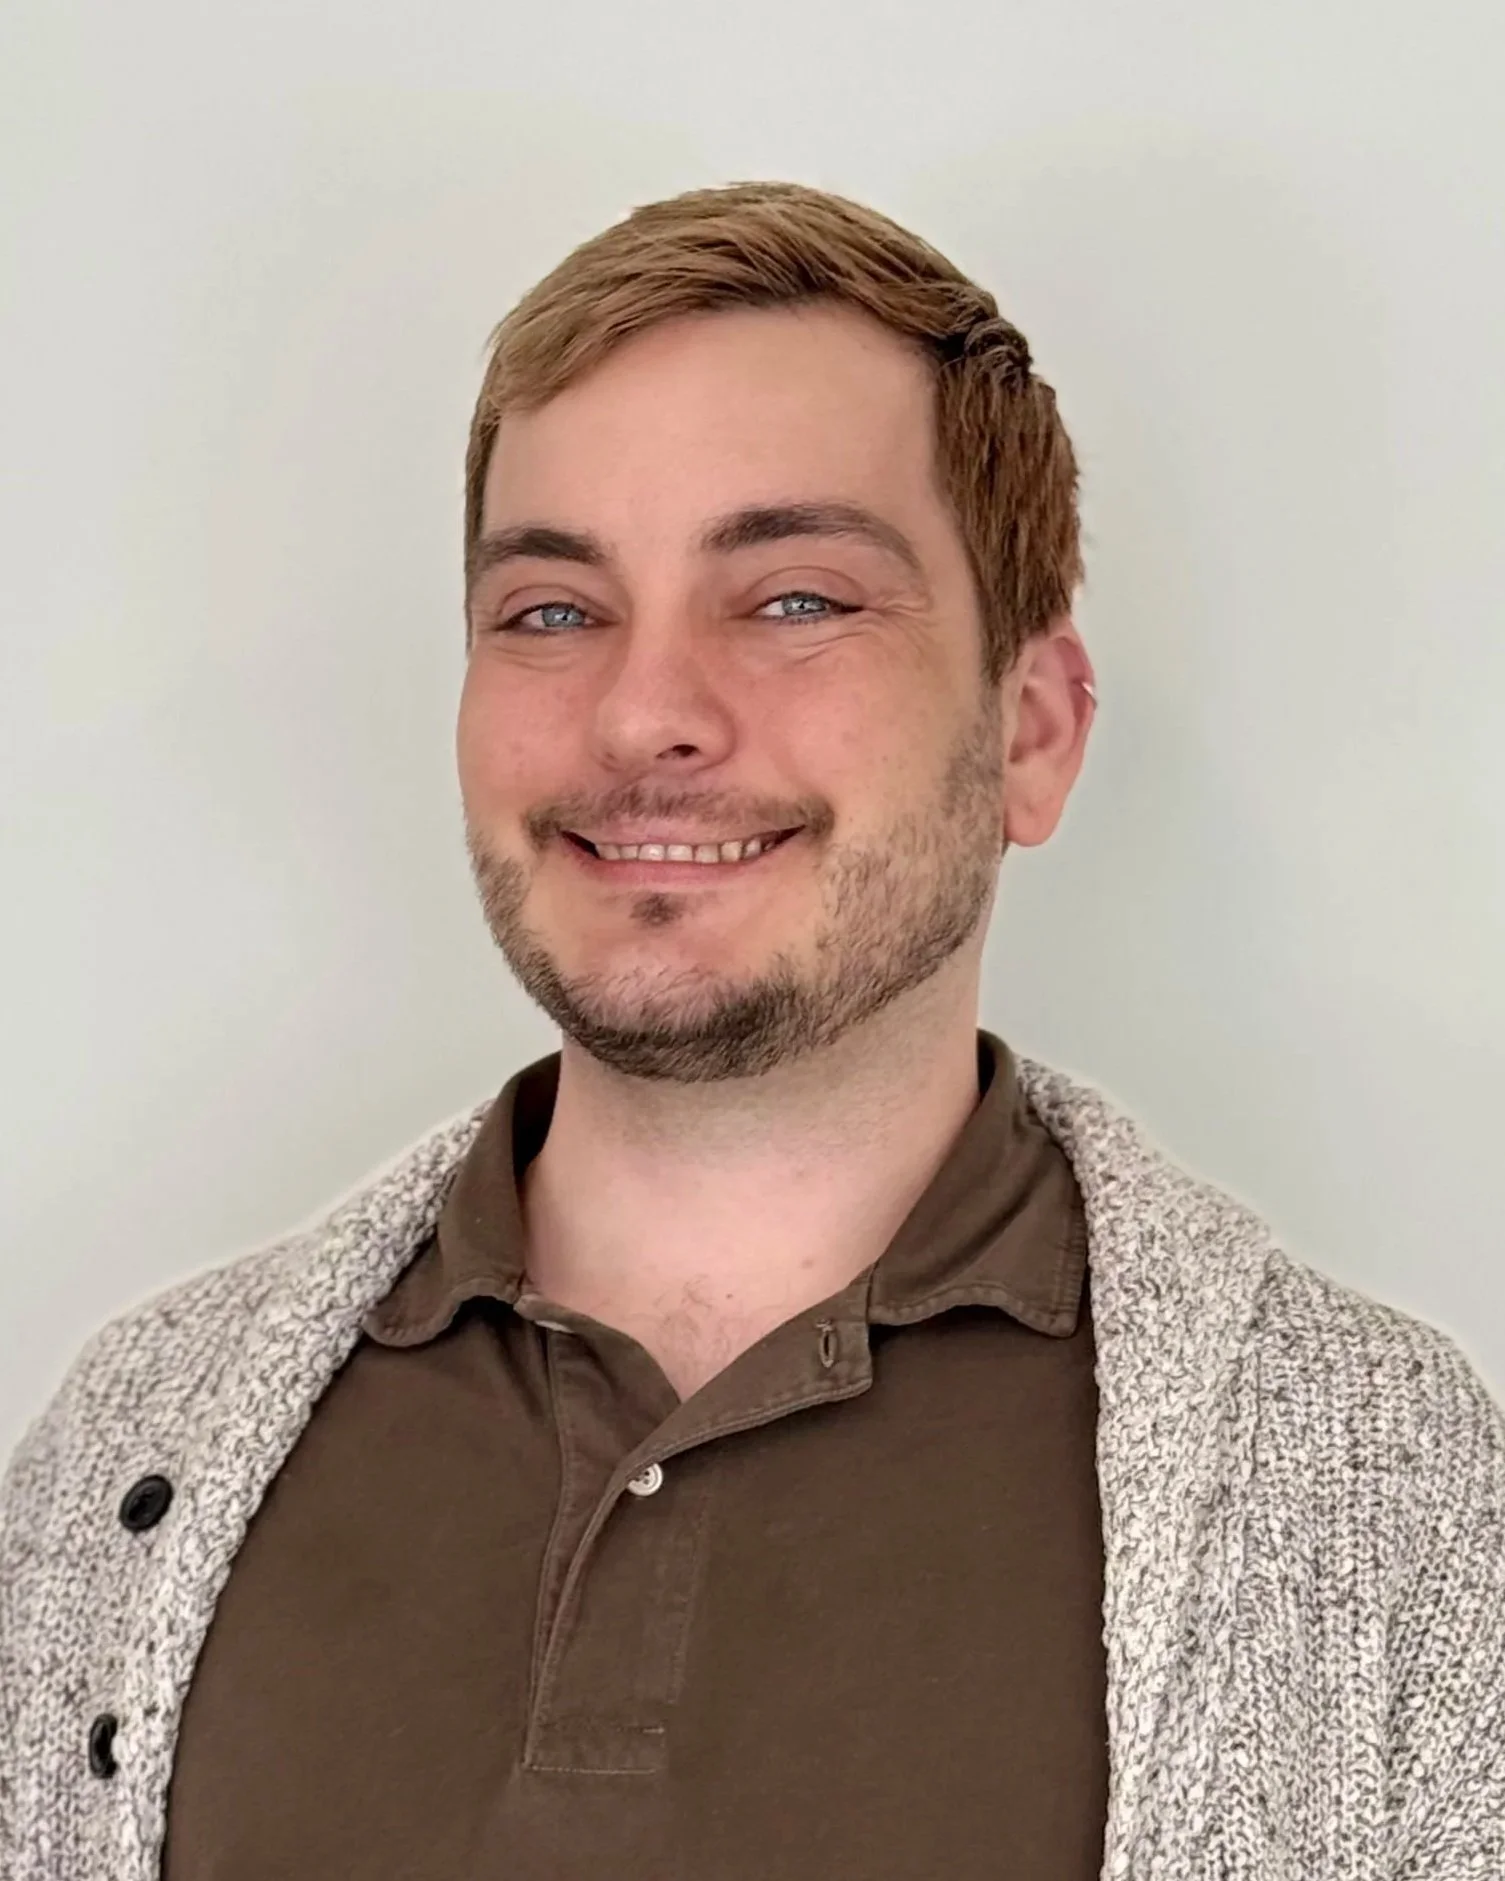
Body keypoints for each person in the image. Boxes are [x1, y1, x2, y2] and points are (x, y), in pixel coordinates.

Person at [1, 181, 1501, 1881]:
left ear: (1030, 734)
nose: (644, 711)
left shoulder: (1390, 1506)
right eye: (552, 610)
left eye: (794, 599)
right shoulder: (121, 1460)